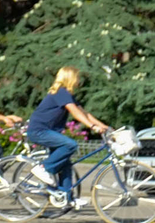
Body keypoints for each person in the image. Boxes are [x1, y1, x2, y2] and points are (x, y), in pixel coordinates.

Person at [23, 65, 110, 203]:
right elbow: (75, 113)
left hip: (49, 131)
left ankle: (66, 198)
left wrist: (104, 126)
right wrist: (93, 127)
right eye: (77, 77)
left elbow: (84, 113)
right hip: (39, 131)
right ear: (70, 78)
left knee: (65, 165)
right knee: (71, 145)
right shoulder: (61, 92)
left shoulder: (68, 94)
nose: (79, 80)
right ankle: (43, 168)